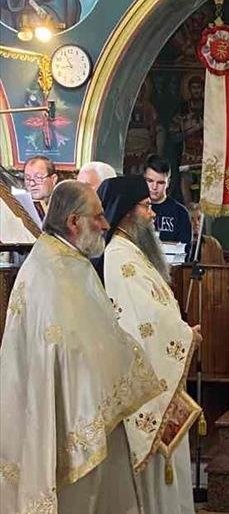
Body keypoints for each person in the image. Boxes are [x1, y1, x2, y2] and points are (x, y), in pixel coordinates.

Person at [0, 180, 161, 513]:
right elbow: (69, 346)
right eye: (97, 216)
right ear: (74, 221)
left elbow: (94, 333)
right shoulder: (50, 270)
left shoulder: (67, 261)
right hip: (71, 410)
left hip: (87, 401)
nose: (105, 224)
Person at [99, 175, 201, 514]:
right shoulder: (119, 258)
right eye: (145, 207)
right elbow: (142, 322)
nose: (153, 213)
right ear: (127, 212)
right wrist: (186, 336)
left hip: (159, 379)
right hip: (148, 389)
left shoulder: (131, 252)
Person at [143, 154, 192, 249]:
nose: (154, 187)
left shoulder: (180, 213)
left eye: (160, 183)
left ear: (168, 183)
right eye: (150, 181)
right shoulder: (134, 209)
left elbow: (185, 249)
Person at [23, 154, 56, 219]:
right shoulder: (21, 207)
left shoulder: (65, 207)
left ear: (53, 179)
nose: (32, 183)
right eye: (28, 178)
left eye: (38, 178)